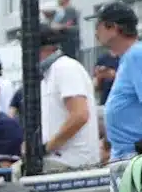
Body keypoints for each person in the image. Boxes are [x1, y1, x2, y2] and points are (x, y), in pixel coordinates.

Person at [96, 2, 142, 160]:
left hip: (141, 160)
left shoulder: (139, 54)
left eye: (99, 25)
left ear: (113, 27)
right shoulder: (128, 58)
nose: (96, 31)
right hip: (130, 158)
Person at [35, 33, 102, 172]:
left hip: (71, 163)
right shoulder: (48, 74)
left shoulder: (65, 67)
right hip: (58, 160)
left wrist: (46, 148)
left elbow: (80, 115)